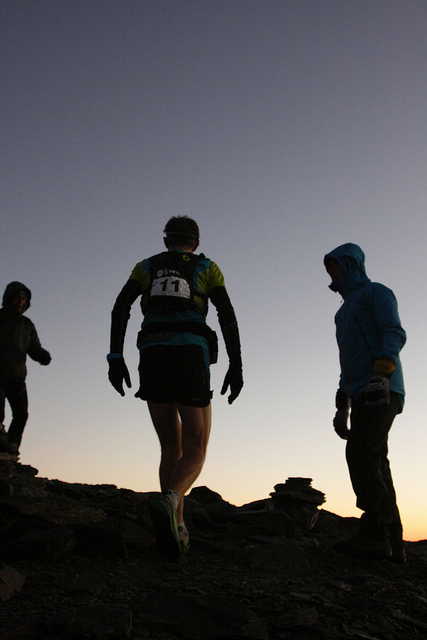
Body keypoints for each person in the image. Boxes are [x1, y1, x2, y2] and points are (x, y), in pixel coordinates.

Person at [108, 216, 243, 559]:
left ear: (166, 238)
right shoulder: (207, 267)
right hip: (189, 353)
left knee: (170, 445)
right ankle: (171, 501)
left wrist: (114, 357)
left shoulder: (146, 266)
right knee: (196, 447)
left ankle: (176, 528)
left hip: (151, 353)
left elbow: (120, 307)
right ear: (196, 242)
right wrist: (236, 364)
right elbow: (227, 314)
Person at [324, 243, 406, 563]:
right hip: (360, 393)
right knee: (376, 462)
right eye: (329, 268)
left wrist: (383, 373)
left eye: (336, 266)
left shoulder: (376, 293)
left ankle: (375, 534)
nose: (332, 273)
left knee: (361, 451)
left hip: (383, 389)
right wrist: (342, 403)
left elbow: (393, 332)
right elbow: (347, 361)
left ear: (351, 264)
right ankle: (394, 544)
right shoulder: (342, 313)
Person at [0, 282, 51, 455]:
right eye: (17, 297)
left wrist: (42, 355)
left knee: (21, 415)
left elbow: (33, 347)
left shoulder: (26, 324)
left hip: (17, 376)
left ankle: (11, 448)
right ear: (9, 298)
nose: (20, 301)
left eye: (24, 299)